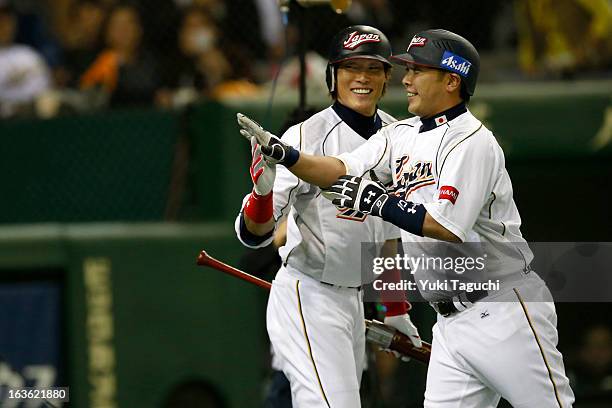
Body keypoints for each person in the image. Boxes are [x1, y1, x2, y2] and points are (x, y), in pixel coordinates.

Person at [238, 29, 575, 407]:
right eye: (352, 67)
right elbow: (337, 170)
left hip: (500, 307)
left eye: (415, 71)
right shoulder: (399, 133)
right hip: (407, 310)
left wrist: (379, 207)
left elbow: (446, 227)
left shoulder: (471, 142)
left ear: (451, 80)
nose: (406, 79)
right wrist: (286, 159)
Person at [234, 25, 422, 407]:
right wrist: (263, 193)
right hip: (309, 295)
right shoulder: (305, 136)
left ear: (388, 77)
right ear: (333, 76)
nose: (362, 78)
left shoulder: (400, 137)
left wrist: (395, 309)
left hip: (353, 302)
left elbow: (386, 238)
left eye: (373, 68)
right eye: (352, 67)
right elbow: (254, 235)